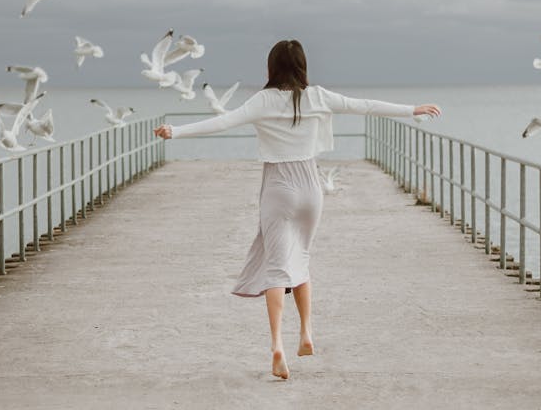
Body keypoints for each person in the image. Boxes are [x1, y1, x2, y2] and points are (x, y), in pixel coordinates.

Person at [153, 39, 441, 380]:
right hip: (310, 186)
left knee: (276, 268)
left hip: (278, 186)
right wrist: (412, 109)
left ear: (271, 67)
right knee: (301, 258)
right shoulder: (317, 96)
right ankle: (306, 333)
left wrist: (175, 131)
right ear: (303, 66)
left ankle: (277, 345)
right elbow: (362, 105)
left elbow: (223, 122)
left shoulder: (263, 100)